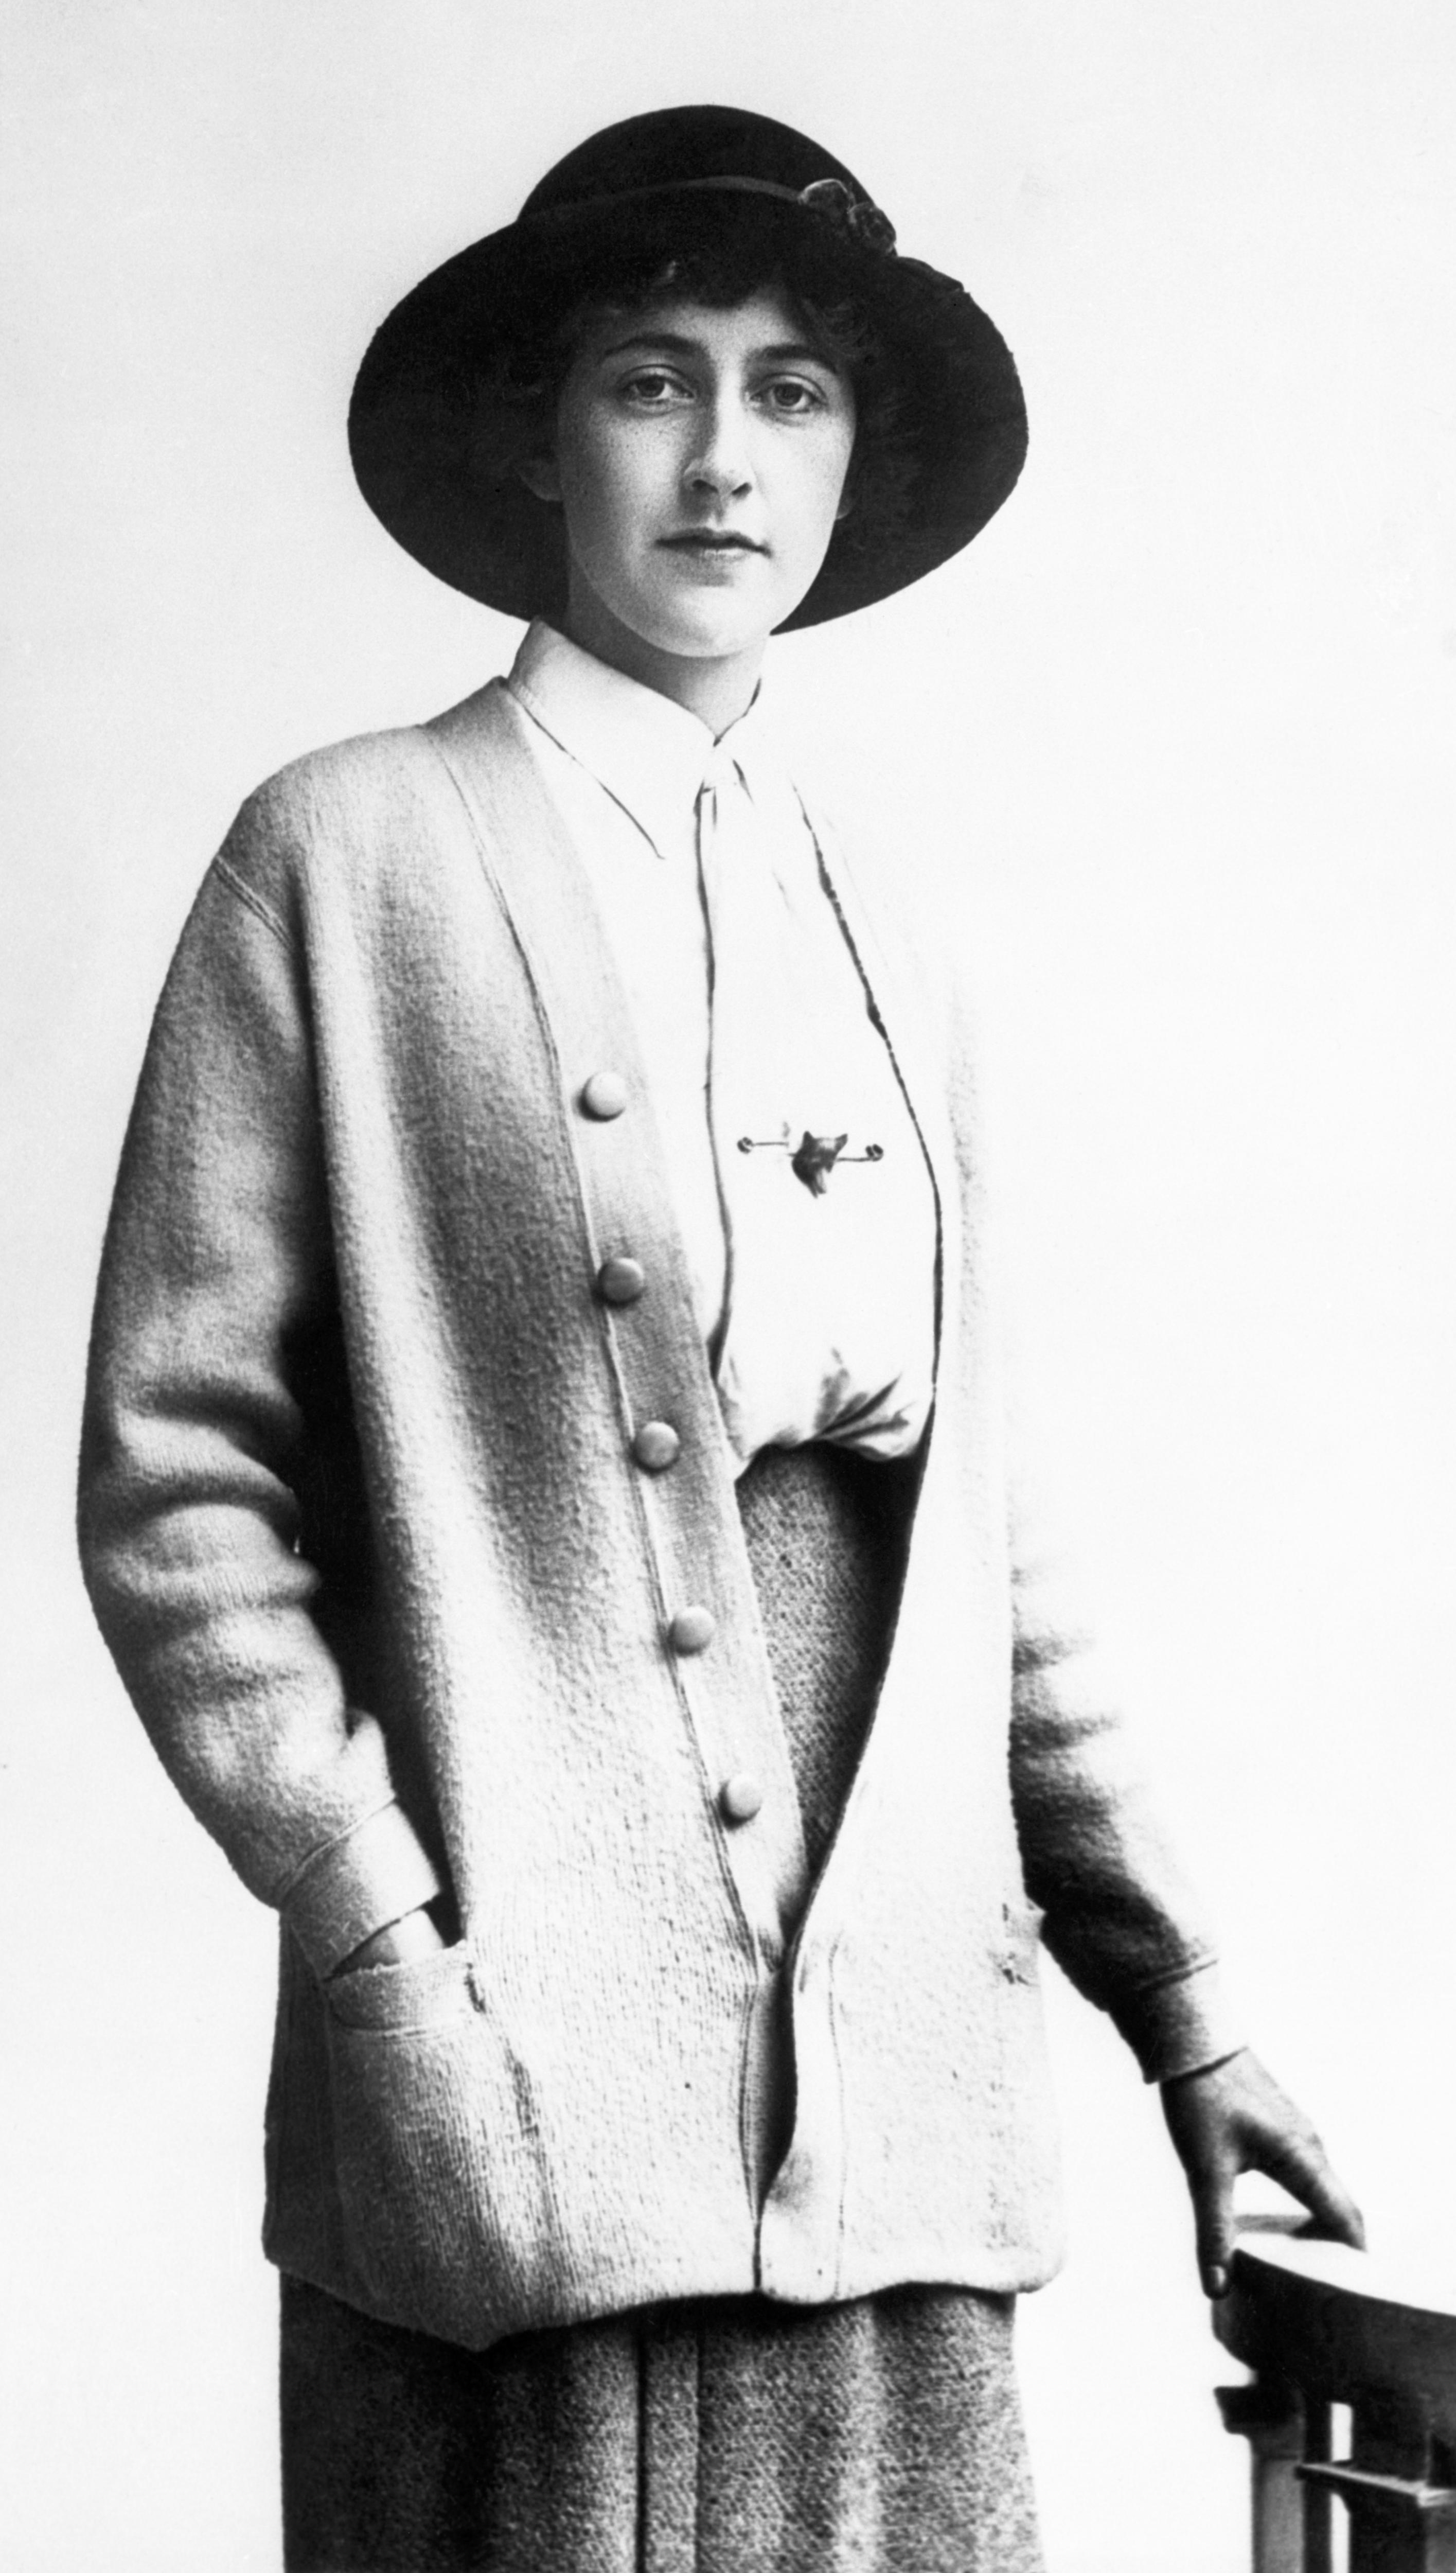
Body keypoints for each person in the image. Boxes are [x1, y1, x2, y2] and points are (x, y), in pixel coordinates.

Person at [78, 103, 1362, 2573]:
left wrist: (1187, 2007)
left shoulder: (889, 910)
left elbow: (988, 1547)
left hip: (898, 2120)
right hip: (507, 2106)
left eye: (794, 392)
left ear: (852, 462)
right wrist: (382, 1942)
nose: (724, 453)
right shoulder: (340, 855)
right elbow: (178, 1490)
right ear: (539, 432)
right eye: (655, 380)